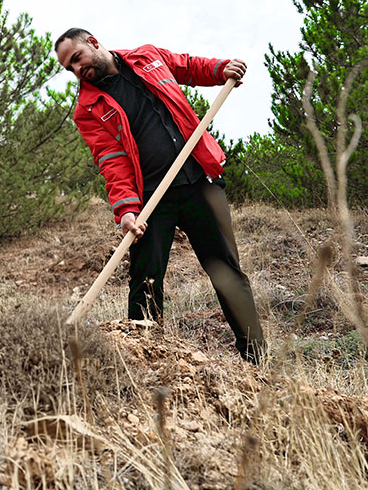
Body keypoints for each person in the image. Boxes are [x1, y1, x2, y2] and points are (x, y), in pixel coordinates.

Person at [54, 29, 265, 364]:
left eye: (77, 58)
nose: (77, 70)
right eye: (69, 68)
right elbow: (111, 160)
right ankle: (148, 363)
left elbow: (188, 67)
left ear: (93, 43)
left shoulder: (147, 57)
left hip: (199, 182)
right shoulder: (87, 108)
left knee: (226, 272)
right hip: (150, 201)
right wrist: (126, 209)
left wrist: (220, 69)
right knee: (145, 283)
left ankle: (256, 360)